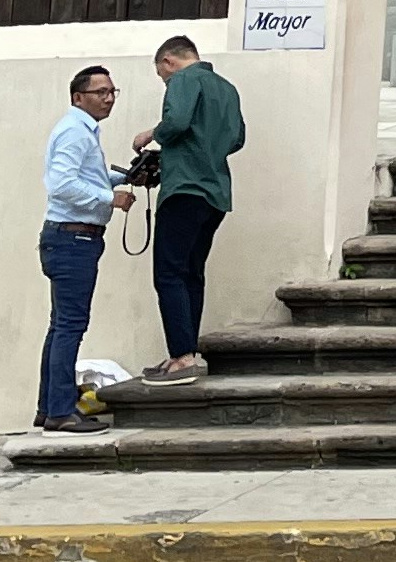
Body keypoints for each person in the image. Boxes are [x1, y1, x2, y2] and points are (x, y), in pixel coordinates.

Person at [139, 33, 245, 381]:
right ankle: (188, 351)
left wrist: (151, 134)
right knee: (192, 272)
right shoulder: (226, 88)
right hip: (216, 190)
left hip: (184, 187)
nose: (165, 81)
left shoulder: (183, 80)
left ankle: (181, 356)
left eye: (162, 76)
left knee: (168, 272)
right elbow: (237, 138)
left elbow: (178, 122)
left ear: (168, 61)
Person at [37, 62, 136, 434]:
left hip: (69, 237)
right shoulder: (76, 132)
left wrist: (124, 177)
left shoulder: (81, 130)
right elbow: (61, 184)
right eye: (100, 93)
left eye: (112, 92)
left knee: (60, 325)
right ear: (79, 97)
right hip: (73, 237)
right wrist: (110, 197)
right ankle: (61, 411)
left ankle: (49, 406)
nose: (108, 99)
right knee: (70, 326)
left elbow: (84, 175)